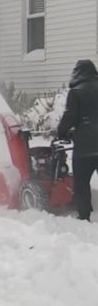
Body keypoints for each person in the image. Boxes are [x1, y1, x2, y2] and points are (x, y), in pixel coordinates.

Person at [58, 59, 98, 221]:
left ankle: (84, 214)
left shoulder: (76, 92)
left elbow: (70, 117)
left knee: (81, 182)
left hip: (85, 149)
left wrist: (61, 132)